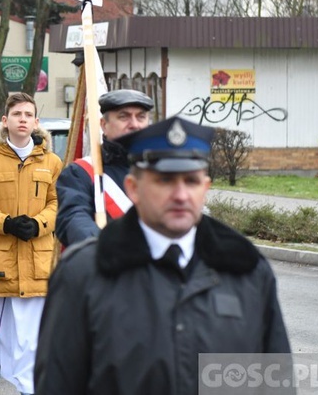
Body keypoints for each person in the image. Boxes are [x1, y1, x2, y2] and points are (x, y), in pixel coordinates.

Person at [34, 116, 292, 393]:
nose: (180, 195)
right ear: (134, 188)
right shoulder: (84, 273)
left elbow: (273, 384)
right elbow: (58, 384)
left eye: (191, 181)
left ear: (205, 188)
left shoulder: (247, 270)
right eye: (165, 181)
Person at [0, 92, 62, 395]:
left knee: (29, 338)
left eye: (28, 114)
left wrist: (38, 224)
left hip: (37, 265)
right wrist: (5, 223)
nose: (22, 119)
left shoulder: (52, 162)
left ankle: (28, 389)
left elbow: (59, 204)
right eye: (16, 114)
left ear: (35, 121)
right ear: (5, 121)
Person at [55, 89, 154, 247]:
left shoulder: (162, 170)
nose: (134, 124)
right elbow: (73, 219)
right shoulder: (81, 173)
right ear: (104, 124)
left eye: (141, 117)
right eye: (124, 116)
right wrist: (105, 249)